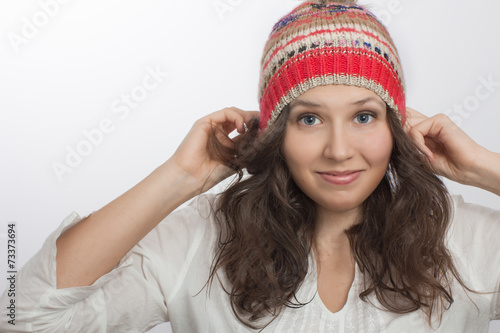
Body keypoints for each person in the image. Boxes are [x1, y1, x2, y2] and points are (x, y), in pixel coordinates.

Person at [1, 0, 499, 332]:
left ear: (396, 125)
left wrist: (482, 169)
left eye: (364, 116)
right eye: (309, 119)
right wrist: (180, 179)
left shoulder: (464, 241)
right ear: (277, 131)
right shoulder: (201, 238)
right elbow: (19, 314)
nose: (340, 149)